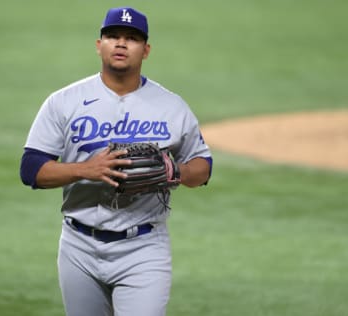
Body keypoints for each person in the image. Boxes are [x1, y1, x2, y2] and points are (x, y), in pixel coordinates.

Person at [20, 7, 212, 316]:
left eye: (132, 38)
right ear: (99, 45)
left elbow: (203, 166)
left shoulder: (171, 106)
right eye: (112, 36)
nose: (121, 44)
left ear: (146, 50)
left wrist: (178, 171)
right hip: (78, 246)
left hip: (144, 248)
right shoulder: (64, 101)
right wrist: (85, 169)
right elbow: (31, 170)